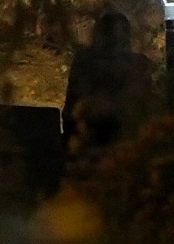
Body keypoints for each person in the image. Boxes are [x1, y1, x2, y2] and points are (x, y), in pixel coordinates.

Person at [63, 9, 151, 154]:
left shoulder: (138, 64)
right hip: (90, 140)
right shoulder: (85, 62)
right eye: (110, 35)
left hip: (125, 143)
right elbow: (73, 105)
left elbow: (143, 107)